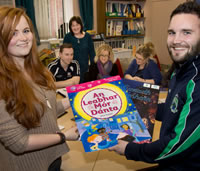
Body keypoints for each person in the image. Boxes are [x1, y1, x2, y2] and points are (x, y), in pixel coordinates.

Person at [108, 1, 200, 170]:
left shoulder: (197, 81)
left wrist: (129, 149)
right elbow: (173, 110)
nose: (176, 40)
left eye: (187, 32)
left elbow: (176, 144)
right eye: (172, 32)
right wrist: (141, 106)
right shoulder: (179, 70)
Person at [0, 6, 79, 171]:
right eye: (13, 33)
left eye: (26, 30)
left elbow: (44, 109)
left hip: (52, 156)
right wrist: (64, 136)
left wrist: (74, 99)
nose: (23, 38)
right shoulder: (3, 83)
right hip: (29, 164)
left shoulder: (36, 70)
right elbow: (19, 142)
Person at [63, 16, 96, 83]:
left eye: (77, 25)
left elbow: (92, 53)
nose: (75, 27)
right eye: (73, 26)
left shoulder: (87, 36)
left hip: (85, 69)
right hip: (71, 69)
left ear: (81, 25)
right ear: (70, 27)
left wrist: (93, 68)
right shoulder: (67, 37)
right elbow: (64, 53)